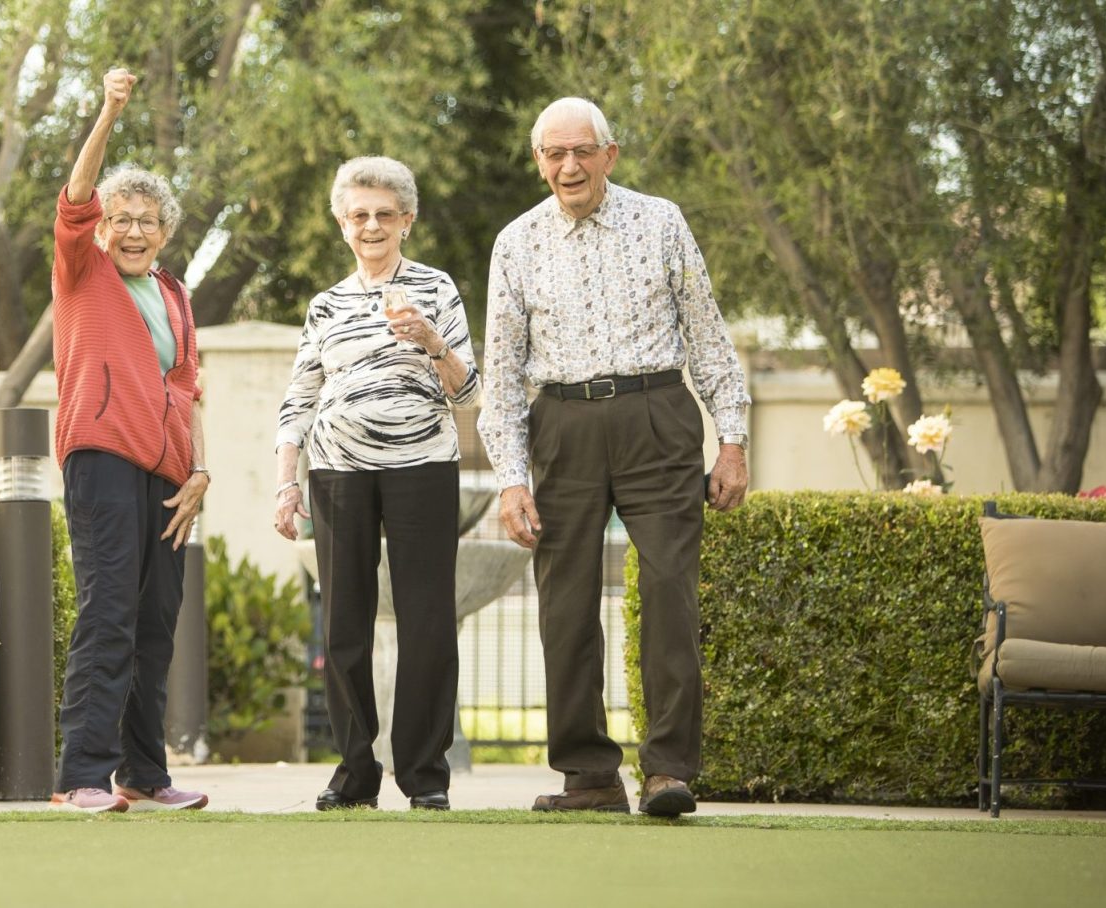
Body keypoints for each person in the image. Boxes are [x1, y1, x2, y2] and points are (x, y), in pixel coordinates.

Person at [479, 97, 751, 817]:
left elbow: (708, 337)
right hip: (560, 425)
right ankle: (589, 777)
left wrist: (732, 440)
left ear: (610, 154)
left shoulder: (660, 221)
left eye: (581, 151)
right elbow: (502, 375)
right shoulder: (516, 242)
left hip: (655, 415)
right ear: (538, 162)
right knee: (564, 605)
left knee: (668, 591)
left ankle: (667, 770)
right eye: (553, 154)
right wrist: (511, 479)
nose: (568, 166)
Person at [273, 156, 479, 812]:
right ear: (341, 223)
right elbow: (299, 398)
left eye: (384, 214)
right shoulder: (325, 304)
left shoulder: (437, 289)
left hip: (424, 467)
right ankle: (355, 772)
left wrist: (429, 339)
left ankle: (424, 775)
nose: (371, 225)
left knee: (427, 623)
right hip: (338, 470)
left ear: (406, 221)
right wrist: (286, 484)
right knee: (344, 627)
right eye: (358, 215)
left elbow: (470, 391)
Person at [48, 68, 212, 813]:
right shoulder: (83, 269)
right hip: (103, 457)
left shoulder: (175, 293)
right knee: (108, 610)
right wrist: (110, 109)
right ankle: (81, 774)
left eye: (149, 219)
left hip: (171, 476)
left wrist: (201, 471)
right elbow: (74, 198)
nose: (135, 230)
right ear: (103, 228)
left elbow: (189, 386)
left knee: (154, 627)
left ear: (165, 232)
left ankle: (145, 775)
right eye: (123, 218)